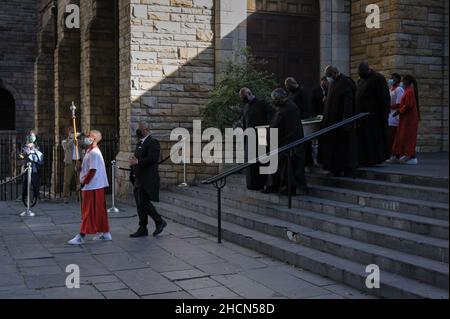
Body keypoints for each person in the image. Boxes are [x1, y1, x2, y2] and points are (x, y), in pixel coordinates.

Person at [68, 130, 111, 245]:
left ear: (94, 138)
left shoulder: (94, 153)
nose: (86, 137)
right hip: (94, 185)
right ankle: (105, 233)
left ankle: (81, 235)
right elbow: (87, 167)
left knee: (88, 210)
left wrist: (83, 183)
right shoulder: (89, 151)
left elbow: (93, 170)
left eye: (88, 136)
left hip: (92, 186)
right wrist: (79, 166)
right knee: (98, 210)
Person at [262, 88, 308, 195]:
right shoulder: (285, 107)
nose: (273, 101)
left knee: (287, 168)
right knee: (279, 167)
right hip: (278, 142)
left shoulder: (289, 108)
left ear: (280, 98)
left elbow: (290, 128)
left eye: (274, 99)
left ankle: (288, 188)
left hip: (285, 143)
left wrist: (287, 143)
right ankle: (274, 186)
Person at [129, 122, 167, 238]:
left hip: (148, 178)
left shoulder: (153, 142)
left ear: (146, 129)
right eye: (138, 128)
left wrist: (138, 162)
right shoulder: (140, 142)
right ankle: (142, 228)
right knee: (139, 204)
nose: (138, 131)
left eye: (140, 129)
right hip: (138, 178)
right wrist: (133, 161)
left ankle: (159, 221)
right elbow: (137, 159)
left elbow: (153, 159)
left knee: (144, 202)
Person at [318, 65, 357, 177]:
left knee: (342, 148)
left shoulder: (346, 82)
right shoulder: (332, 83)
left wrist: (346, 120)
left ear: (335, 72)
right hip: (331, 120)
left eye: (329, 75)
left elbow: (348, 103)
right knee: (332, 147)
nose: (328, 78)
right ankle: (334, 168)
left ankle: (344, 169)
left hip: (340, 122)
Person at [239, 87, 276, 190]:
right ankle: (252, 185)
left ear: (249, 94)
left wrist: (267, 128)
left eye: (243, 97)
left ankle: (261, 184)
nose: (242, 99)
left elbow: (273, 113)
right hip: (250, 137)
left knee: (261, 161)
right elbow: (244, 122)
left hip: (261, 136)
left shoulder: (261, 103)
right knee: (251, 163)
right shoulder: (246, 106)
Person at [355, 62, 391, 166]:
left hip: (374, 116)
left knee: (374, 139)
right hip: (362, 116)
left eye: (361, 72)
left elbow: (384, 96)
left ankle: (375, 159)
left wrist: (385, 113)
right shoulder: (361, 80)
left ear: (367, 70)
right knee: (363, 138)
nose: (360, 74)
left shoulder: (378, 78)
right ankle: (363, 158)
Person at [391, 75, 420, 165]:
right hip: (406, 118)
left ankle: (410, 156)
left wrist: (398, 111)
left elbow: (408, 106)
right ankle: (400, 154)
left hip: (409, 119)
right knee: (402, 136)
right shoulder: (408, 91)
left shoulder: (409, 91)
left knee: (409, 137)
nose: (402, 82)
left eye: (404, 80)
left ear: (408, 81)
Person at [285, 77, 314, 167]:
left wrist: (305, 119)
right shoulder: (290, 93)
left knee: (305, 142)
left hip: (302, 121)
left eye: (287, 86)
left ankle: (308, 161)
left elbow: (307, 106)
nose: (287, 88)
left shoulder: (302, 92)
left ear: (293, 84)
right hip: (294, 122)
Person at [61, 127, 82, 203]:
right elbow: (66, 147)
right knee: (67, 181)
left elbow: (84, 144)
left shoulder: (78, 141)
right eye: (72, 132)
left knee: (79, 181)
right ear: (69, 133)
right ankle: (65, 197)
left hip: (78, 161)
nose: (74, 134)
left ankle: (79, 196)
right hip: (70, 162)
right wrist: (72, 140)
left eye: (74, 132)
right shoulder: (64, 141)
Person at [387, 73, 404, 160]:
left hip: (395, 115)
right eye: (391, 78)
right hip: (390, 114)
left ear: (397, 79)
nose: (391, 79)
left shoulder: (399, 89)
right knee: (389, 135)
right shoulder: (391, 88)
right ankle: (390, 153)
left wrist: (388, 106)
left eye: (393, 78)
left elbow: (399, 103)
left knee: (392, 135)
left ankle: (393, 153)